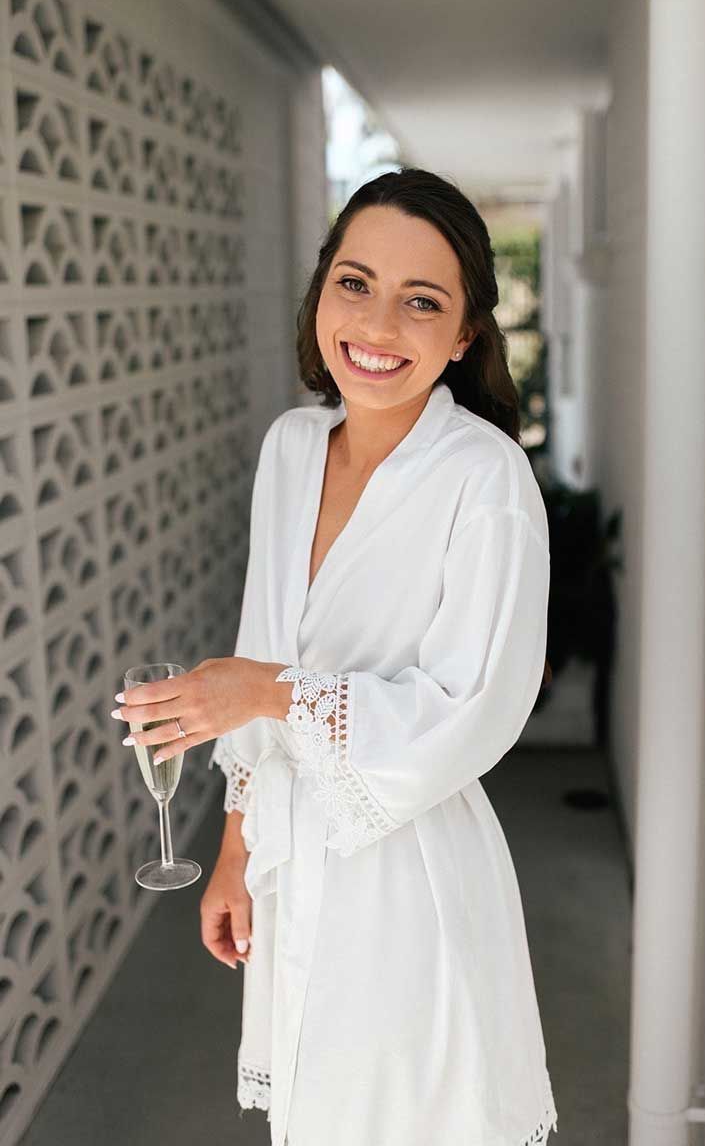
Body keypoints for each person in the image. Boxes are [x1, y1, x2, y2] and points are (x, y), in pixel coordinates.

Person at [111, 167, 558, 1146]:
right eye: (354, 283)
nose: (378, 323)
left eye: (422, 301)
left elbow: (468, 709)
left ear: (465, 334)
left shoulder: (483, 480)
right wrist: (235, 847)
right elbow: (262, 641)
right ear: (320, 292)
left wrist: (263, 692)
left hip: (406, 874)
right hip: (287, 860)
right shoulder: (290, 448)